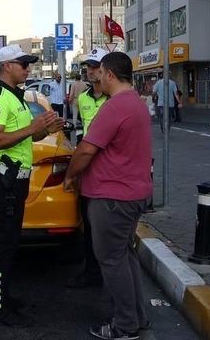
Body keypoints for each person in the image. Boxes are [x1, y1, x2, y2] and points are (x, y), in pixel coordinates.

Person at [63, 52, 153, 339]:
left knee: (112, 261)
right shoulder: (135, 102)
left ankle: (125, 326)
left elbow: (86, 150)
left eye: (100, 72)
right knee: (124, 256)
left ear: (110, 74)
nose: (97, 77)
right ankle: (137, 317)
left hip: (113, 197)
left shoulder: (115, 106)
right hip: (131, 193)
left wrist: (70, 175)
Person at [0, 44, 63, 326]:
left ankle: (2, 297)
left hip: (16, 183)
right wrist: (32, 127)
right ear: (7, 66)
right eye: (23, 64)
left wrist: (45, 130)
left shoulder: (17, 97)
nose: (28, 69)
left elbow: (24, 137)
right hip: (6, 183)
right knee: (3, 245)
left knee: (9, 242)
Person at [66, 48, 108, 290]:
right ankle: (92, 272)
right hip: (89, 166)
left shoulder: (115, 99)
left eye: (95, 67)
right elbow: (83, 132)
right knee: (89, 222)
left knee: (108, 226)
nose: (91, 72)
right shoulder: (83, 98)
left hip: (110, 168)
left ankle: (109, 273)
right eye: (88, 67)